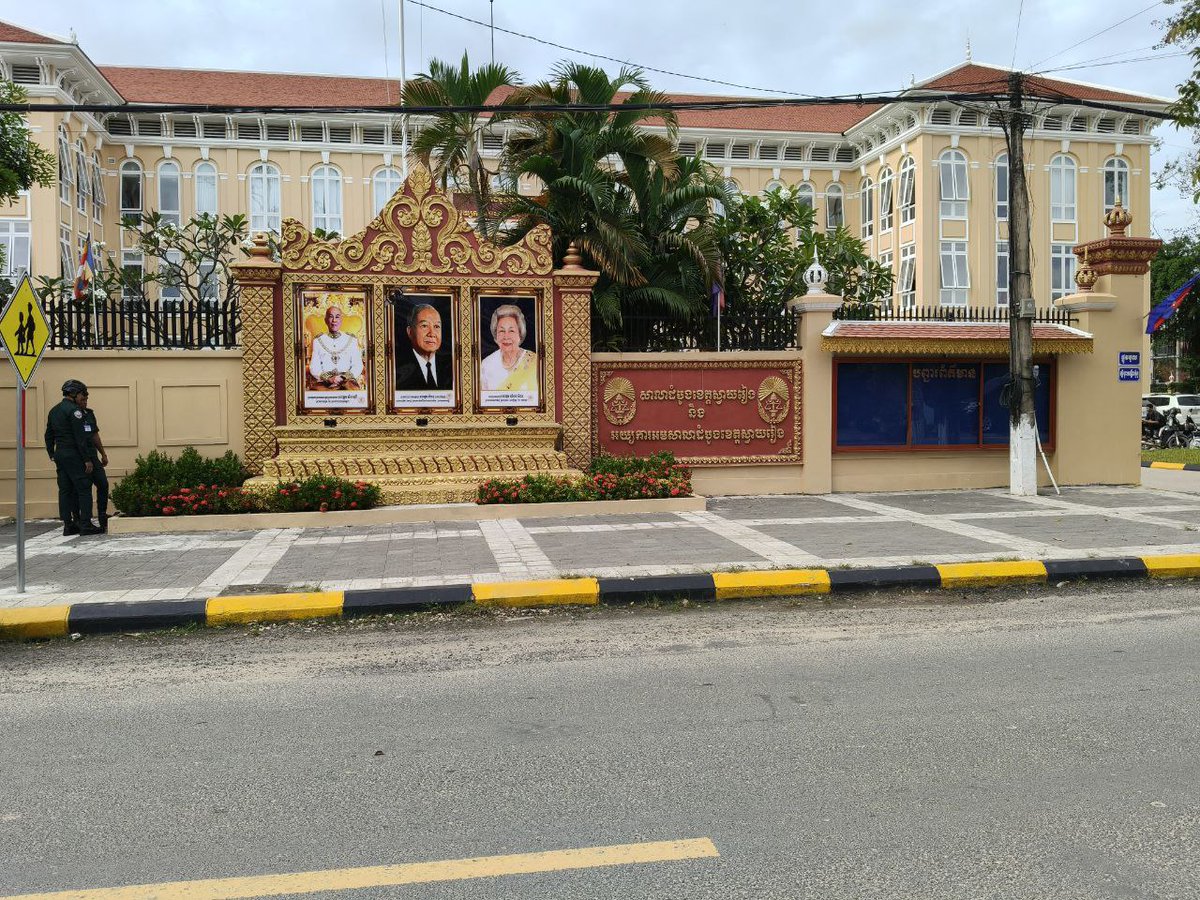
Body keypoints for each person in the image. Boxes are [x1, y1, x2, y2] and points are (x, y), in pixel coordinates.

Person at [44, 379, 101, 536]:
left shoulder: (54, 410)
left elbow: (48, 435)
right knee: (84, 488)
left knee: (65, 490)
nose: (83, 397)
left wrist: (51, 453)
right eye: (82, 394)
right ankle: (85, 524)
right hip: (74, 454)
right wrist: (87, 459)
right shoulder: (75, 411)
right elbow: (80, 438)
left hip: (60, 454)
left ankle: (68, 525)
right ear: (74, 394)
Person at [395, 303, 454, 392]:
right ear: (410, 331)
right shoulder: (396, 368)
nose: (432, 334)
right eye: (424, 326)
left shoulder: (452, 366)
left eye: (436, 326)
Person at [479, 304, 537, 394]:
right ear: (495, 335)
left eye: (511, 331)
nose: (506, 336)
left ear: (520, 334)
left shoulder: (535, 362)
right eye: (501, 331)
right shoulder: (487, 365)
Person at [75, 388, 110, 532]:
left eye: (86, 400)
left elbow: (95, 435)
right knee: (83, 489)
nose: (85, 402)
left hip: (92, 456)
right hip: (79, 458)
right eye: (82, 400)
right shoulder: (71, 415)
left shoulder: (89, 414)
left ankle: (102, 514)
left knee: (103, 484)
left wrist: (103, 454)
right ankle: (81, 520)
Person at [308, 305, 363, 390]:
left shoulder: (351, 339)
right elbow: (314, 367)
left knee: (353, 391)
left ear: (341, 320)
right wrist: (328, 378)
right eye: (331, 317)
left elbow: (358, 365)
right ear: (325, 320)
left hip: (347, 382)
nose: (334, 320)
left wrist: (343, 378)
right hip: (324, 382)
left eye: (337, 317)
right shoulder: (318, 340)